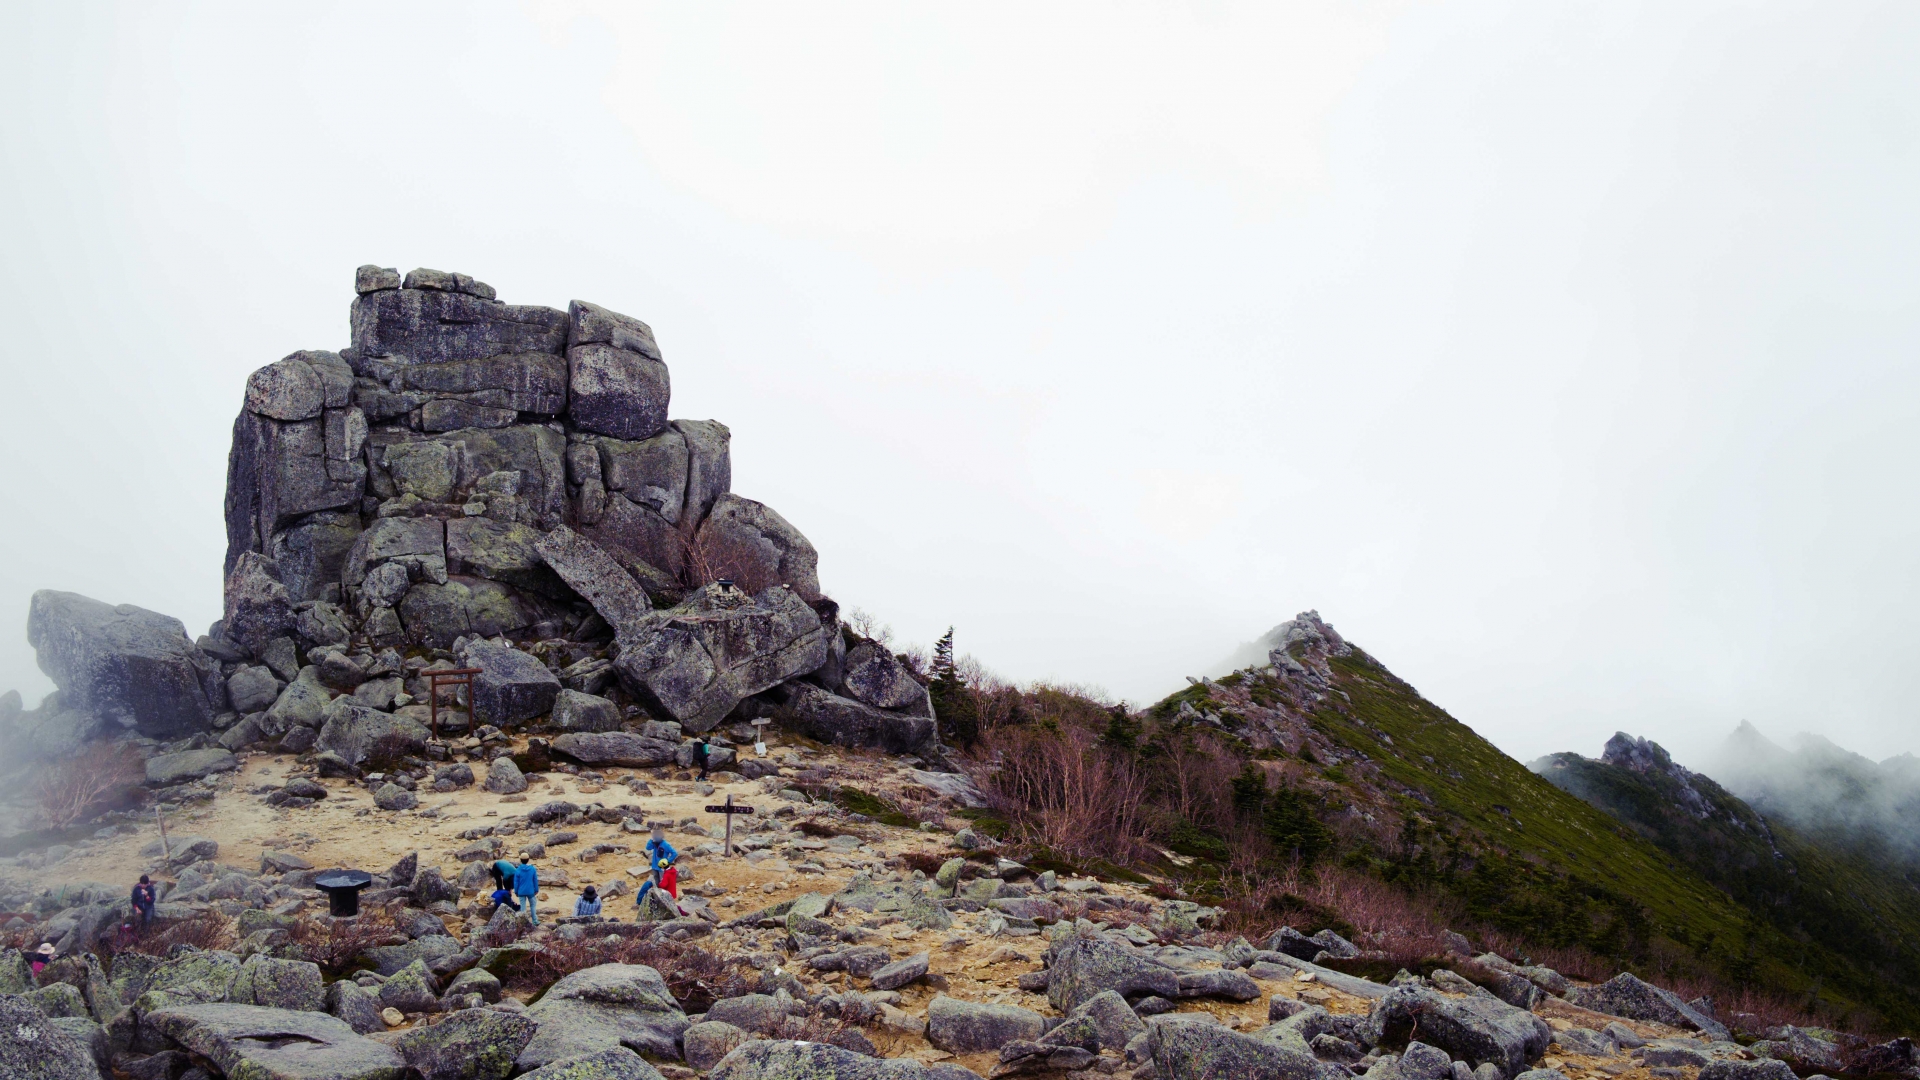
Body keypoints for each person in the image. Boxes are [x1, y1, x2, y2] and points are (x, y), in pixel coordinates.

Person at [512, 856, 541, 924]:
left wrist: (516, 891)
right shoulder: (532, 869)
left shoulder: (518, 870)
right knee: (533, 905)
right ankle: (535, 920)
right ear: (528, 860)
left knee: (523, 907)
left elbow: (516, 882)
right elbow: (535, 880)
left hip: (521, 891)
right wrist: (536, 889)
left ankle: (523, 922)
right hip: (531, 891)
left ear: (520, 860)